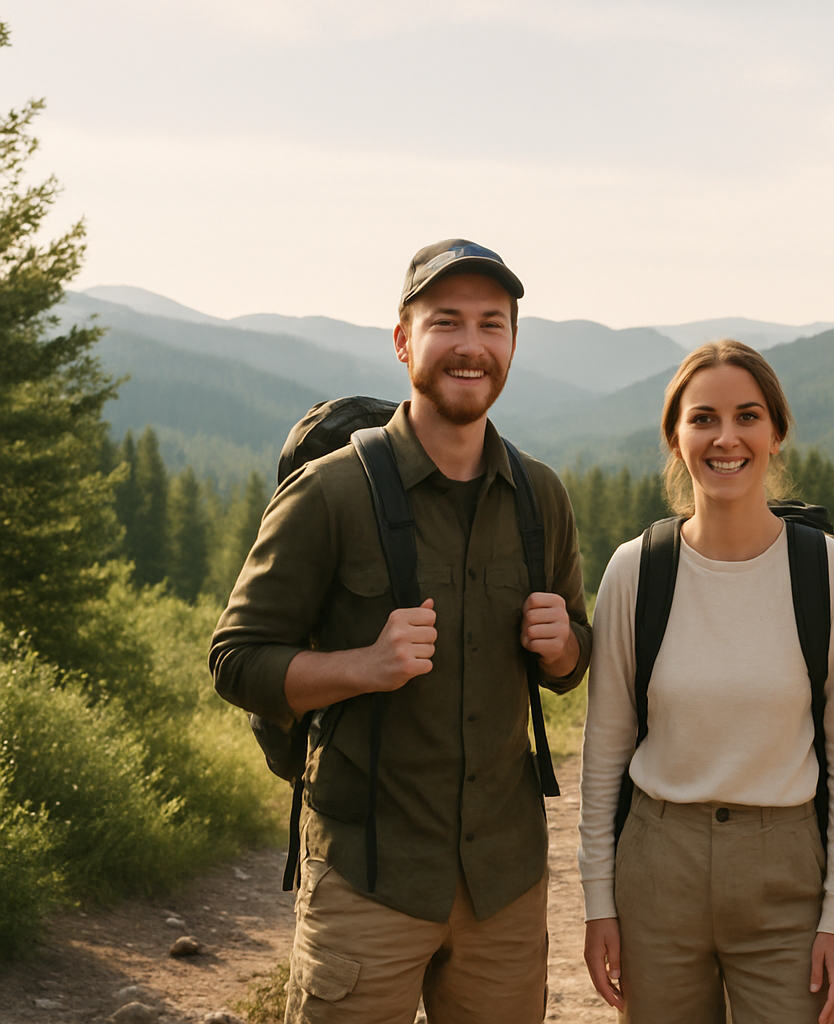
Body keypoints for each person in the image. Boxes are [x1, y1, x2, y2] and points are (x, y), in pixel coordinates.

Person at [210, 239, 591, 1023]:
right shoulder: (329, 493)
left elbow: (570, 660)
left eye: (491, 324)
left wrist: (566, 648)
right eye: (445, 321)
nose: (470, 344)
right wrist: (363, 665)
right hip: (366, 879)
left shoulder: (539, 496)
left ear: (512, 343)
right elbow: (236, 660)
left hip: (505, 886)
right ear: (403, 340)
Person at [577, 340, 834, 1024]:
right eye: (703, 418)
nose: (726, 438)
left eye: (747, 416)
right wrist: (599, 902)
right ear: (675, 437)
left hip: (786, 876)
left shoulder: (829, 573)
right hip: (657, 872)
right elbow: (604, 751)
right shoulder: (635, 571)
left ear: (776, 433)